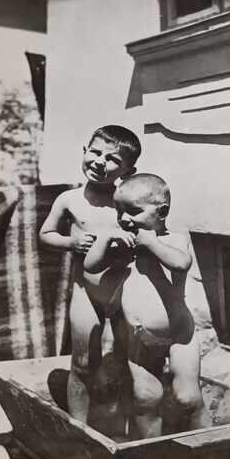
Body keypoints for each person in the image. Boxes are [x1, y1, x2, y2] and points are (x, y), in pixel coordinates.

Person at [83, 172, 210, 439]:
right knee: (145, 399)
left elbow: (181, 263)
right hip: (140, 340)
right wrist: (105, 240)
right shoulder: (125, 246)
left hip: (179, 335)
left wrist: (151, 242)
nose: (125, 219)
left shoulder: (174, 240)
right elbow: (90, 266)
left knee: (187, 397)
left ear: (161, 211)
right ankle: (155, 453)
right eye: (120, 212)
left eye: (133, 211)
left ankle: (209, 445)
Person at [39, 125, 141, 426]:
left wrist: (132, 238)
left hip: (125, 295)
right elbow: (45, 234)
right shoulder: (69, 199)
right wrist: (70, 242)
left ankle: (127, 426)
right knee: (83, 363)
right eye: (95, 152)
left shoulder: (128, 200)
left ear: (127, 170)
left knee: (128, 362)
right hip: (86, 294)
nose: (99, 162)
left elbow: (149, 231)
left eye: (112, 159)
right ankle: (79, 429)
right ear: (85, 151)